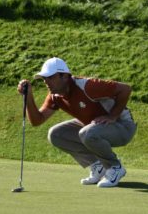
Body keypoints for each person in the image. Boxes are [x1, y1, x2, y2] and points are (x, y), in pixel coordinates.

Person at [17, 57, 137, 188]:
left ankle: (115, 167)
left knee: (87, 132)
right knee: (56, 134)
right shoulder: (55, 96)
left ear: (64, 76)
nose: (46, 82)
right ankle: (98, 166)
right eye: (44, 78)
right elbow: (37, 120)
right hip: (94, 127)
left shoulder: (88, 86)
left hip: (123, 127)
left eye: (50, 77)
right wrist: (28, 98)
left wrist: (112, 116)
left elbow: (125, 89)